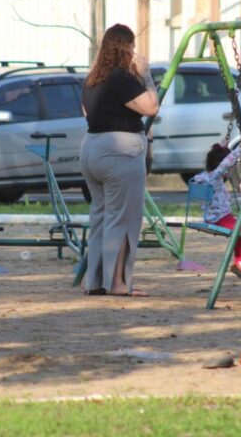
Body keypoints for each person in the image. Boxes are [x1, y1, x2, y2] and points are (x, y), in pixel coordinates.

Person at [80, 24, 159, 297]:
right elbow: (151, 107)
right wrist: (146, 77)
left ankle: (96, 281)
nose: (135, 52)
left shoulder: (93, 79)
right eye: (132, 46)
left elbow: (85, 112)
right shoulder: (121, 79)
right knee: (123, 219)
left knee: (101, 217)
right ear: (126, 47)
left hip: (91, 149)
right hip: (120, 152)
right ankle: (117, 283)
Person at [193, 141, 241, 282]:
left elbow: (222, 163)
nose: (229, 171)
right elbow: (225, 164)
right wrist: (240, 149)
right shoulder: (213, 178)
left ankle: (240, 264)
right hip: (219, 219)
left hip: (222, 217)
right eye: (228, 169)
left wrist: (223, 145)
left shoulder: (208, 176)